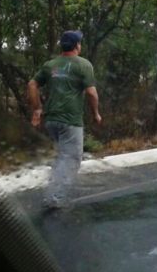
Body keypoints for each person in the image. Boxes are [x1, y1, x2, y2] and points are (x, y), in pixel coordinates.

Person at [28, 30, 102, 210]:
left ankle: (52, 190)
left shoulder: (51, 65)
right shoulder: (83, 65)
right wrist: (96, 114)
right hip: (70, 121)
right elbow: (91, 93)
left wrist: (37, 109)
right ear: (77, 46)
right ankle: (54, 199)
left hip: (51, 121)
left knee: (62, 156)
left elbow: (32, 84)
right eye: (80, 42)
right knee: (72, 159)